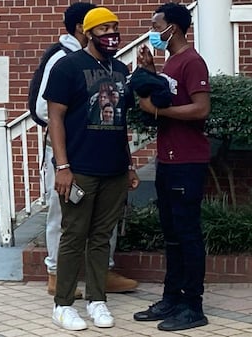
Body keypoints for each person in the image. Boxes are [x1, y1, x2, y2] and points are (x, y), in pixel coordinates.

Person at [43, 7, 140, 331]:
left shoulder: (120, 69)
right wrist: (63, 166)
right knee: (74, 236)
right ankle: (64, 304)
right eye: (104, 28)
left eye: (115, 27)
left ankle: (97, 299)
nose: (112, 34)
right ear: (88, 32)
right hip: (79, 168)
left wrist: (128, 164)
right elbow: (55, 118)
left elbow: (120, 121)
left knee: (101, 237)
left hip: (113, 169)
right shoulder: (67, 67)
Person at [133, 3, 210, 331]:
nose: (152, 31)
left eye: (156, 25)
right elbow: (167, 98)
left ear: (173, 29)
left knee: (187, 235)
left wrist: (157, 111)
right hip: (168, 160)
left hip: (188, 163)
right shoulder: (171, 61)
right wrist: (150, 74)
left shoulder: (192, 61)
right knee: (172, 235)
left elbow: (200, 109)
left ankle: (193, 305)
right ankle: (172, 298)